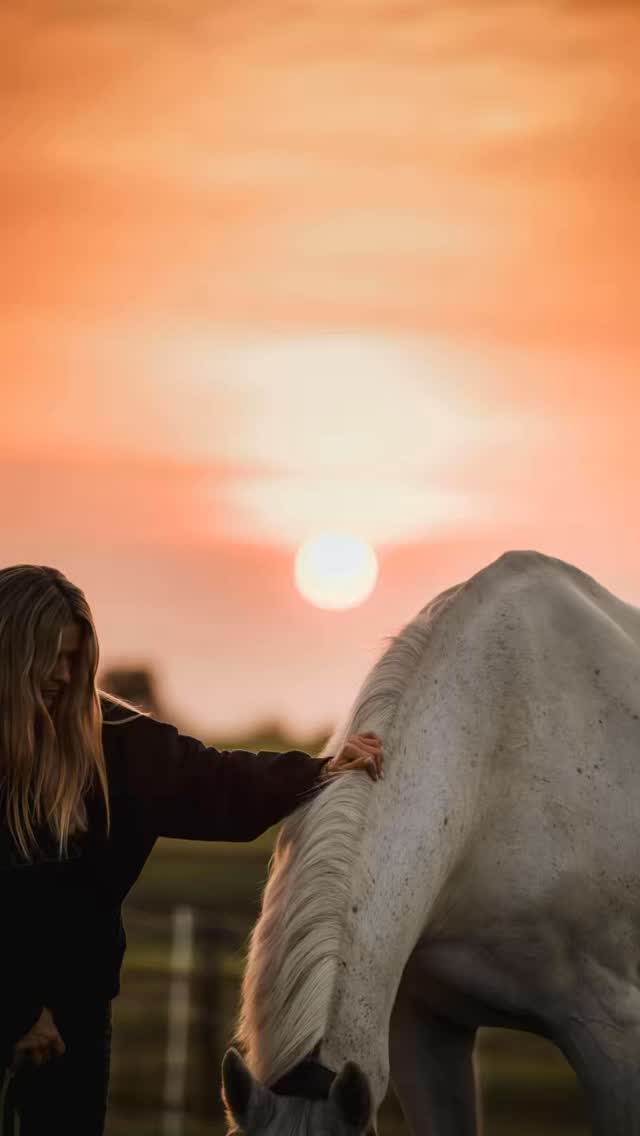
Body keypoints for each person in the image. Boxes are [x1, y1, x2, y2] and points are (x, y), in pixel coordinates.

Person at [0, 564, 384, 1135]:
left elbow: (218, 781)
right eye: (49, 658)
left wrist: (322, 771)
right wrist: (17, 1010)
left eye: (75, 660)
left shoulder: (117, 746)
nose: (62, 675)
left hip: (75, 1025)